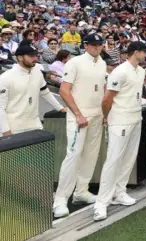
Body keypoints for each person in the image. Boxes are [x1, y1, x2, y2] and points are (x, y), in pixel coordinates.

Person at [53, 34, 107, 218]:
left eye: (99, 44)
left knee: (91, 155)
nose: (96, 48)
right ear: (85, 45)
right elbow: (64, 91)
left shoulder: (101, 63)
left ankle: (81, 191)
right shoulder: (74, 63)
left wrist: (104, 114)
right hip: (79, 117)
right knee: (73, 155)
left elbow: (103, 89)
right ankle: (60, 199)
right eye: (93, 45)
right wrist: (78, 114)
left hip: (97, 115)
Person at [93, 41, 146, 221]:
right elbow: (107, 98)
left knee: (129, 158)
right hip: (120, 120)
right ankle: (101, 203)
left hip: (135, 118)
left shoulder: (141, 72)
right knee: (113, 160)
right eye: (143, 52)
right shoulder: (120, 71)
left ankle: (119, 192)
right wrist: (106, 117)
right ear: (135, 52)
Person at [0, 40, 66, 136]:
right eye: (31, 56)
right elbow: (0, 107)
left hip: (35, 124)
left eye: (36, 55)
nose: (35, 58)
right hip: (14, 128)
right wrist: (5, 130)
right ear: (20, 57)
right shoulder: (6, 77)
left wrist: (60, 108)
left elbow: (45, 92)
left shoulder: (37, 71)